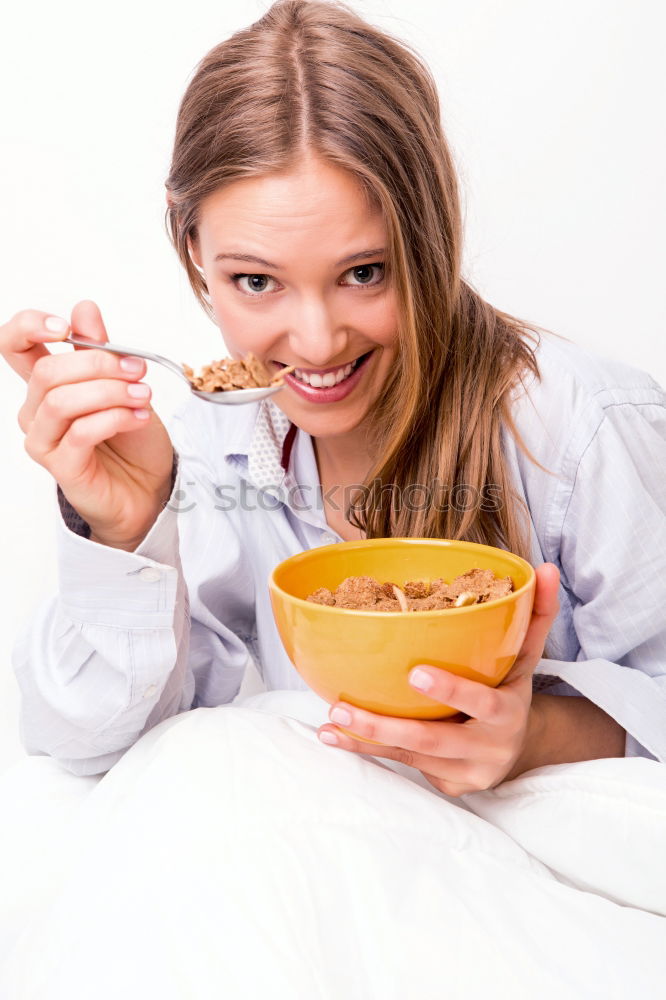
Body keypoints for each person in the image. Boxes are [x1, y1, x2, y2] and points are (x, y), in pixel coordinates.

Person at [2, 0, 664, 791]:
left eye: (364, 273)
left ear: (432, 237)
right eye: (256, 281)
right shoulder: (213, 447)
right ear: (193, 250)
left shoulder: (580, 426)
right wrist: (126, 528)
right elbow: (87, 745)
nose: (315, 343)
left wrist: (533, 738)